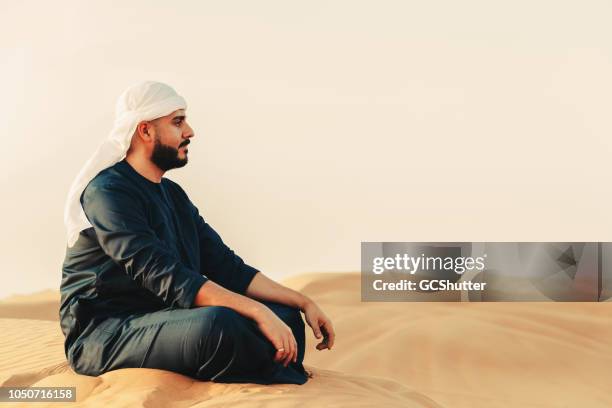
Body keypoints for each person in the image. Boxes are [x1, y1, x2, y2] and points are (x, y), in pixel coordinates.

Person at [60, 81, 335, 384]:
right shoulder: (107, 193)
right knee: (218, 324)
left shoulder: (173, 194)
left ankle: (260, 363)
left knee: (284, 314)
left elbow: (228, 267)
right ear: (145, 131)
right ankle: (266, 368)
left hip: (167, 319)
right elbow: (163, 275)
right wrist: (256, 312)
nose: (189, 131)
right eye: (177, 122)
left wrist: (302, 301)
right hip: (106, 333)